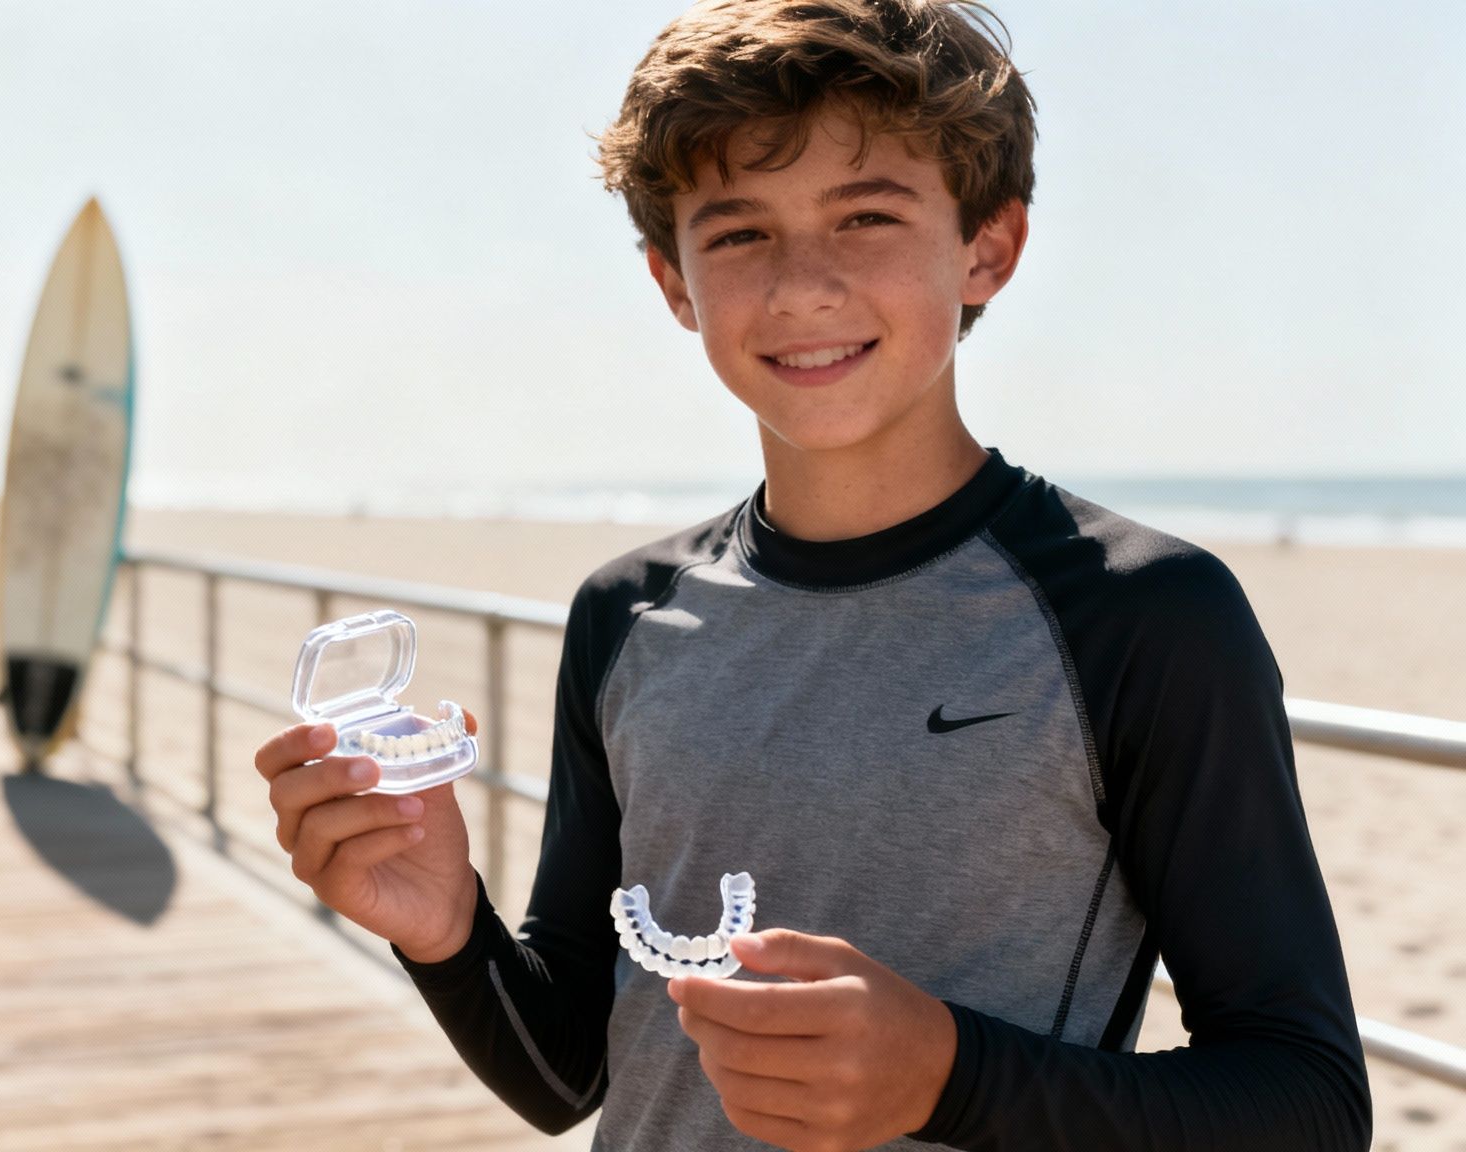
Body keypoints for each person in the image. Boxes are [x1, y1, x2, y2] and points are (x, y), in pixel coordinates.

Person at [252, 1, 1371, 1147]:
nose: (800, 286)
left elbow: (1307, 1104)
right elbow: (567, 1075)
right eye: (737, 234)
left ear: (986, 247)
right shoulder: (623, 616)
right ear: (672, 281)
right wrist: (445, 929)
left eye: (867, 216)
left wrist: (950, 1074)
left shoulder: (1138, 616)